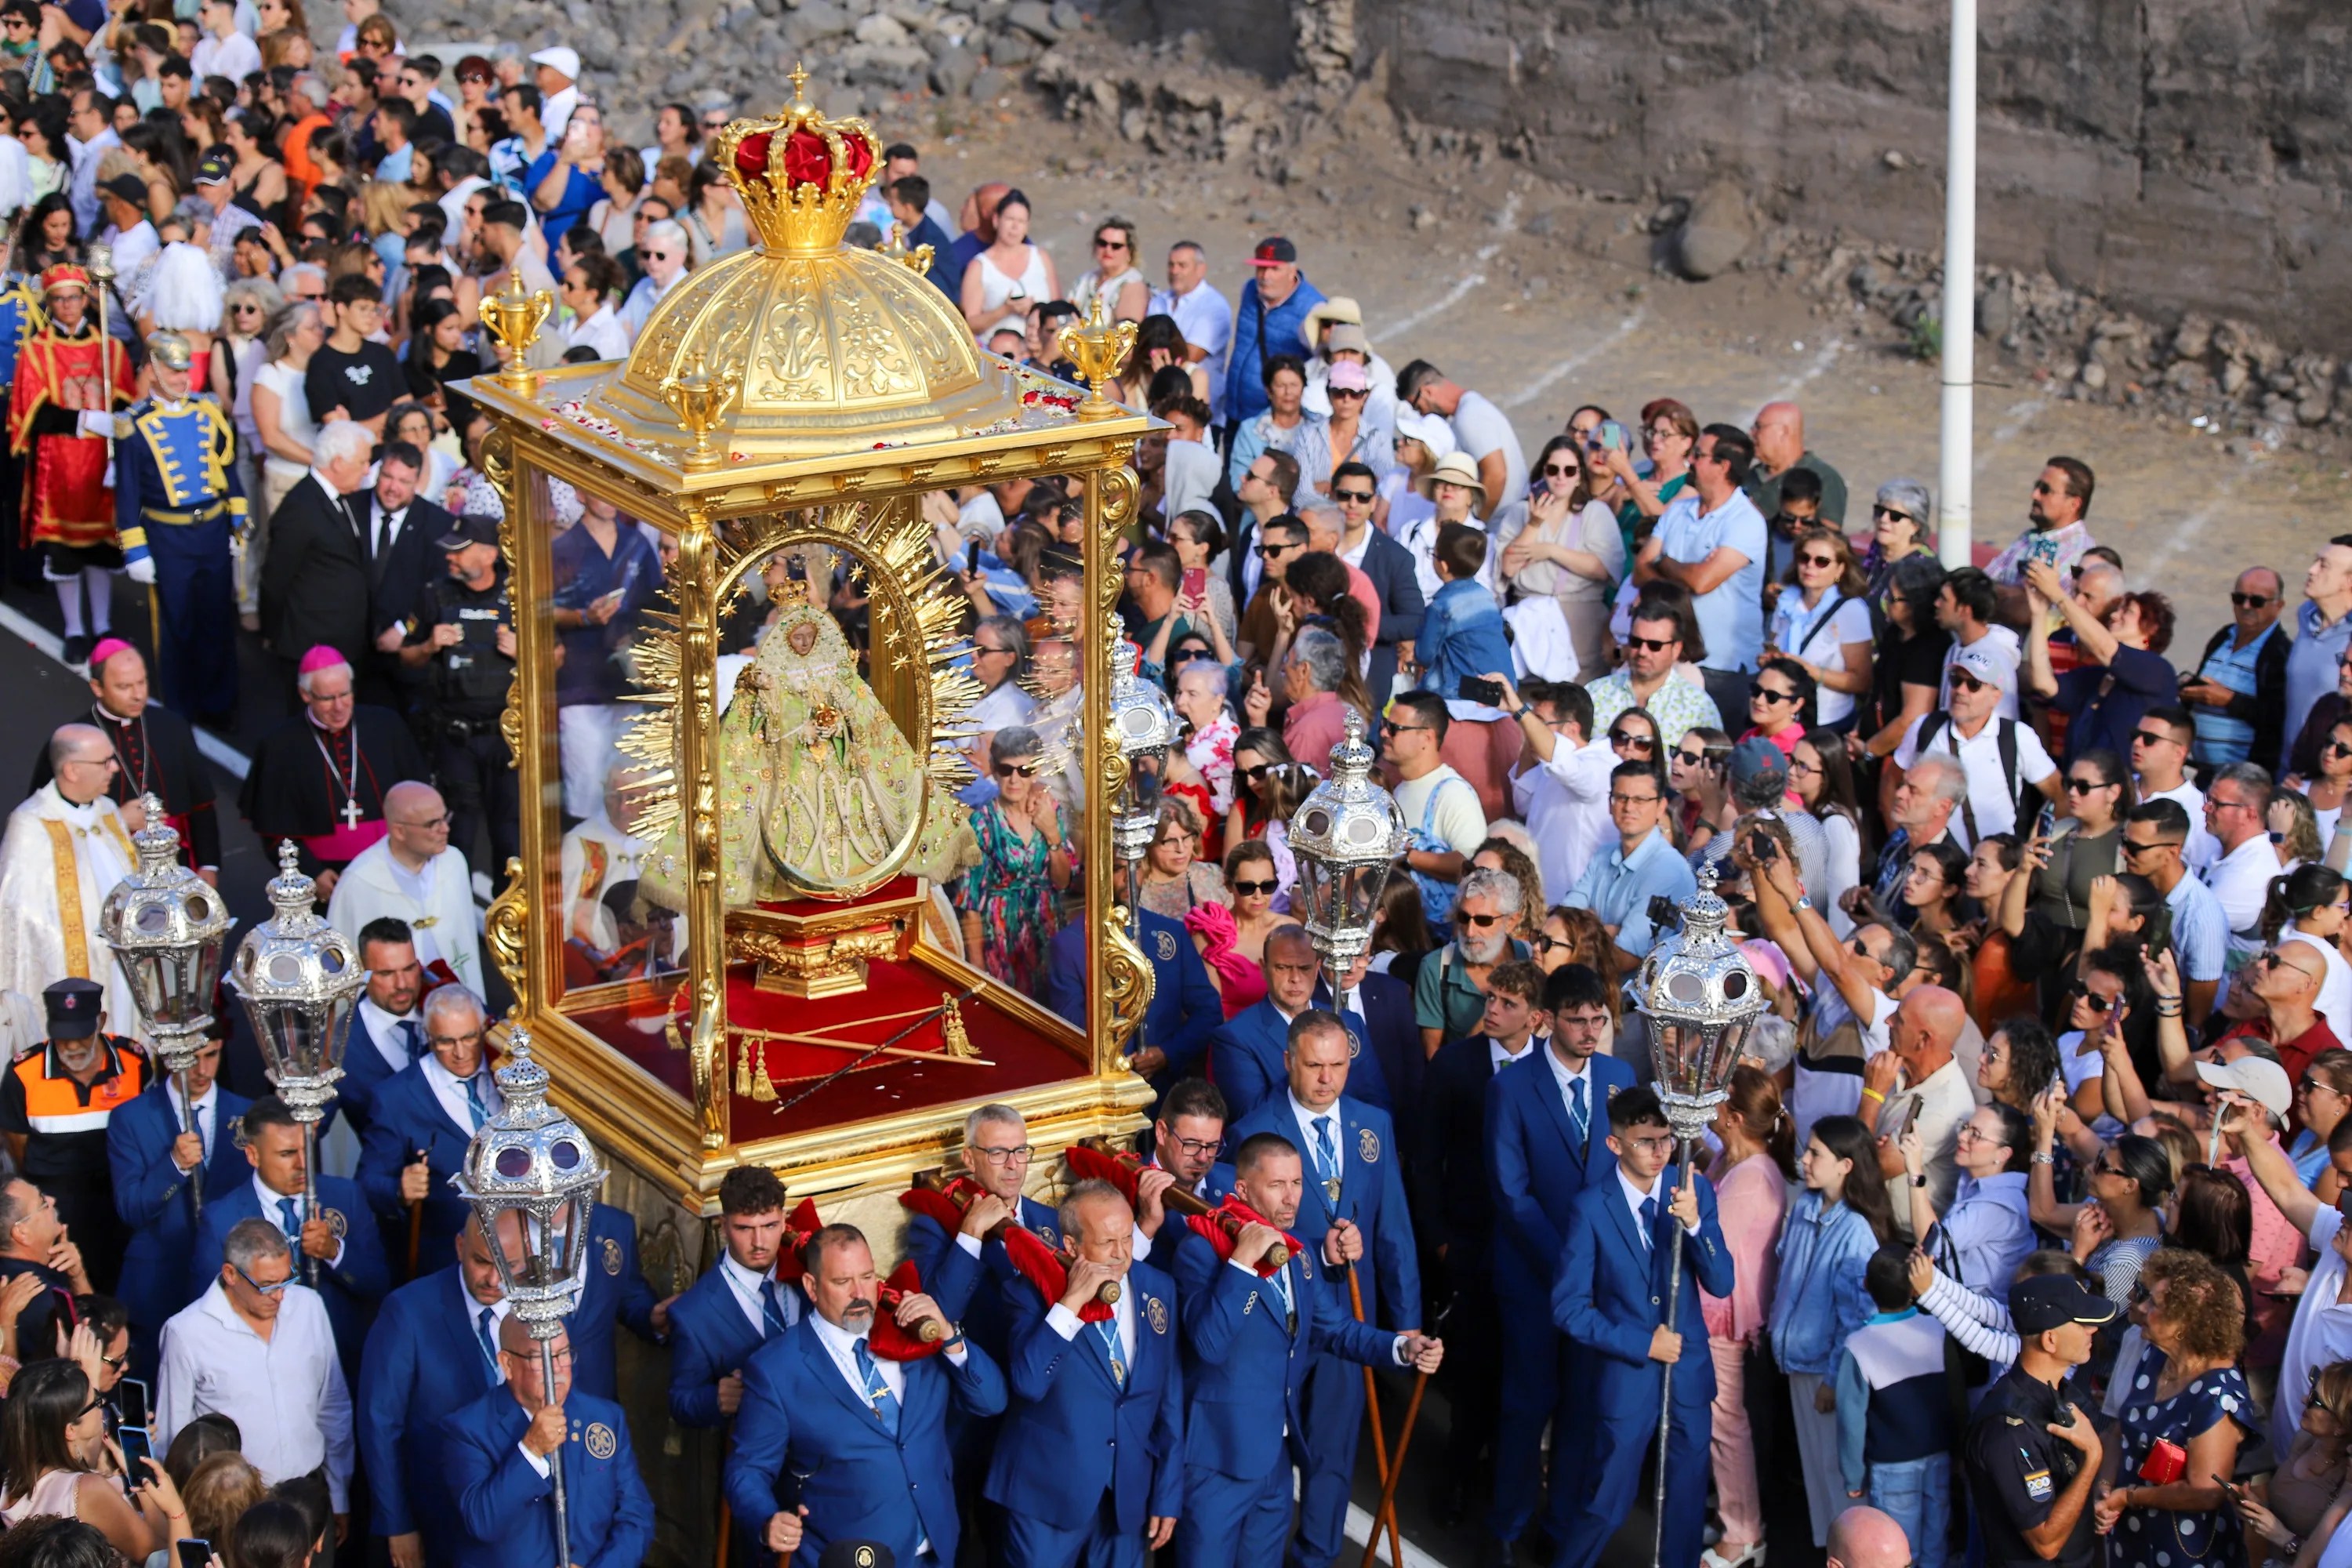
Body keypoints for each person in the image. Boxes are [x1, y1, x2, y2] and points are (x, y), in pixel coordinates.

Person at [1170, 1129, 1443, 1568]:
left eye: (1296, 1183)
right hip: (1215, 1465)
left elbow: (1336, 1330)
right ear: (1242, 1189)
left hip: (1276, 1464)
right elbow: (1208, 1343)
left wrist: (1402, 1348)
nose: (1291, 1197)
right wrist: (1242, 1266)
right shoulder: (1200, 1253)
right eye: (1277, 1185)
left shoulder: (1298, 1256)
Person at [1229, 1011, 1417, 1568]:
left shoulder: (1372, 1125)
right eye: (1313, 1065)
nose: (1326, 1078)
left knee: (1335, 1448)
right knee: (1267, 1447)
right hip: (1279, 1319)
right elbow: (1243, 1227)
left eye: (1338, 1065)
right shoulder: (1255, 1132)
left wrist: (1404, 1321)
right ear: (1289, 1061)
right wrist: (1315, 1244)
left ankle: (1316, 1556)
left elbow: (1395, 1231)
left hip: (1351, 1318)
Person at [724, 1222, 1005, 1566]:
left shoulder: (912, 1335)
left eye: (867, 1276)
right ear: (811, 1287)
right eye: (842, 1282)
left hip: (938, 1549)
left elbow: (991, 1402)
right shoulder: (775, 1370)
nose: (859, 1293)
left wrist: (949, 1334)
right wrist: (767, 1520)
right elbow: (747, 1470)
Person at [1479, 961, 1635, 1558]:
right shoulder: (1511, 1088)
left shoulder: (1620, 1078)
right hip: (1533, 1280)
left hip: (1599, 1288)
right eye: (1577, 1021)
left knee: (1583, 1410)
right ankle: (1505, 1528)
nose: (1590, 1031)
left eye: (1599, 1020)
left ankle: (1562, 1527)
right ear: (1547, 1020)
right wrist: (1570, 1268)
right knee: (1526, 1407)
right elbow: (1511, 1195)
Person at [1548, 1086, 1734, 1568]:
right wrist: (1641, 1343)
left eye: (1667, 1140)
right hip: (1629, 1378)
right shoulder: (1591, 1207)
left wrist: (1696, 1226)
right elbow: (1568, 1307)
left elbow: (1721, 1281)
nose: (1660, 1152)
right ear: (1616, 1145)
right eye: (1646, 1142)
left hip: (1688, 1378)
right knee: (1606, 1503)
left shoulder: (1694, 1189)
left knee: (1686, 1508)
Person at [983, 1181, 1183, 1568]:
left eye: (1126, 1238)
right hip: (1046, 1495)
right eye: (1107, 1242)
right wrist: (1070, 1303)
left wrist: (1168, 1493)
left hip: (1127, 1493)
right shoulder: (1028, 1293)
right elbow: (1029, 1382)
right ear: (1072, 1246)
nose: (1121, 1254)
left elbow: (1170, 1401)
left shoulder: (1158, 1288)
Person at [156, 1218, 354, 1532]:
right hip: (236, 1509)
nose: (279, 1296)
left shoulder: (310, 1308)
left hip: (308, 1496)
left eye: (286, 1281)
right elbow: (174, 1437)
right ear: (230, 1274)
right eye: (267, 1286)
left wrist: (339, 1494)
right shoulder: (186, 1332)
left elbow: (333, 1407)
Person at [187, 1094, 389, 1377]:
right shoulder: (221, 1219)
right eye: (286, 1154)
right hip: (262, 1370)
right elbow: (208, 1313)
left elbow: (379, 1283)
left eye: (306, 1148)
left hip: (341, 1365)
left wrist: (335, 1252)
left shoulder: (347, 1196)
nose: (302, 1164)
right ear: (253, 1155)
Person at [440, 1316, 655, 1568]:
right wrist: (530, 1451)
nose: (556, 1369)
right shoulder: (467, 1430)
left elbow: (636, 1517)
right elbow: (483, 1522)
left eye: (563, 1354)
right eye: (538, 1358)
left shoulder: (604, 1418)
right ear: (507, 1364)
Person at [111, 329, 245, 723]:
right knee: (177, 623)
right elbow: (129, 494)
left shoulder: (208, 411)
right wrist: (136, 550)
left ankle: (220, 702)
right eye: (172, 371)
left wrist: (238, 521)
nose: (182, 378)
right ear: (152, 370)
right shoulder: (132, 425)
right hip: (167, 536)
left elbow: (228, 472)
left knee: (217, 618)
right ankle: (181, 707)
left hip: (212, 531)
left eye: (185, 370)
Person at [2092, 1249, 2250, 1565]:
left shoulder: (2217, 1392)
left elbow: (2206, 1490)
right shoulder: (2154, 1357)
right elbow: (2119, 1431)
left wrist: (2130, 1496)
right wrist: (2106, 1489)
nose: (2141, 1307)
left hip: (2185, 1547)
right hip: (2131, 1534)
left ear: (2184, 1324)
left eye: (2154, 1304)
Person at [9, 264, 134, 665]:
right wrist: (83, 420)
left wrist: (115, 428)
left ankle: (102, 625)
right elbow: (34, 413)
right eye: (58, 299)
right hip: (60, 465)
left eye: (73, 298)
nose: (66, 306)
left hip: (101, 465)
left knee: (101, 548)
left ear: (86, 299)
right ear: (49, 303)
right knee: (64, 551)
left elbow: (125, 405)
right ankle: (74, 628)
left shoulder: (110, 349)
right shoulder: (36, 351)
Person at [107, 1033, 249, 1374]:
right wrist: (174, 1165)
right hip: (157, 1283)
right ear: (167, 1056)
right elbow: (130, 1207)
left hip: (231, 1282)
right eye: (191, 1058)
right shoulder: (131, 1117)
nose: (202, 1069)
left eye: (211, 1055)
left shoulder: (248, 1113)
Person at [0, 978, 151, 1290]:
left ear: (101, 1022)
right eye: (62, 1037)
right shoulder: (23, 1073)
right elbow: (18, 1148)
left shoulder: (133, 1061)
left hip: (120, 1202)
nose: (71, 1046)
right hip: (58, 1209)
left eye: (81, 1035)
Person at [27, 641, 220, 879]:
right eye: (124, 687)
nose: (138, 695)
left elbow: (202, 804)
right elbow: (47, 819)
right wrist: (116, 820)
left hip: (175, 867)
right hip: (104, 870)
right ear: (97, 688)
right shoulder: (75, 741)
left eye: (141, 682)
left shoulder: (172, 727)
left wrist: (209, 866)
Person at [1702, 1065, 1792, 1568]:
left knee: (1726, 1424)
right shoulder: (1732, 1158)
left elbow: (1711, 1247)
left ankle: (1743, 1533)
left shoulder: (1752, 1179)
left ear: (1733, 1117)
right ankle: (1733, 1516)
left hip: (1722, 1316)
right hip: (1717, 1313)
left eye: (1715, 1100)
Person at [1960, 1273, 2110, 1567]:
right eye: (2081, 1324)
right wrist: (2093, 1458)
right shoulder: (2006, 1429)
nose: (2092, 1330)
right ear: (2050, 1339)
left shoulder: (2061, 1393)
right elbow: (2046, 1542)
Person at [355, 984, 502, 1269]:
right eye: (446, 1042)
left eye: (470, 1037)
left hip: (522, 1243)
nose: (460, 1053)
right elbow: (366, 1183)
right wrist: (398, 1189)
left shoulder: (506, 1069)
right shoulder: (395, 1098)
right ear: (428, 1037)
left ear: (484, 1028)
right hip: (450, 1260)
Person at [402, 514, 517, 876]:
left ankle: (511, 917)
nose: (449, 558)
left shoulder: (517, 596)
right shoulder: (435, 594)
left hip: (505, 737)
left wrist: (526, 651)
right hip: (455, 736)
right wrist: (428, 646)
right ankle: (456, 916)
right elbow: (406, 656)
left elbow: (556, 656)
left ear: (487, 555)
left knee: (510, 835)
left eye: (459, 552)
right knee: (456, 835)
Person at [1635, 424, 1769, 726]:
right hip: (1671, 660)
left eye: (1698, 455)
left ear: (1722, 466)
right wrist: (1683, 570)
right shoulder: (1678, 510)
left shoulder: (1746, 521)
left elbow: (1702, 581)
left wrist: (1665, 562)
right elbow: (1640, 572)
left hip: (1723, 666)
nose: (1691, 461)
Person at [0, 726, 137, 1022]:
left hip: (125, 965)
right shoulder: (31, 823)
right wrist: (90, 941)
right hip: (74, 975)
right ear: (72, 770)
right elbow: (16, 915)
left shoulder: (108, 810)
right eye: (104, 762)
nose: (114, 768)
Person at [1830, 1244, 1954, 1568]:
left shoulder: (1858, 1345)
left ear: (1867, 1286)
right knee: (1936, 1543)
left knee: (1899, 1551)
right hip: (1940, 1455)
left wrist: (1853, 1476)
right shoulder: (1938, 1329)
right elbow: (1956, 1397)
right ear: (1915, 1287)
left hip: (1891, 1466)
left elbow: (1851, 1420)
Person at [0, 1357, 191, 1555]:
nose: (103, 1409)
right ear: (71, 1430)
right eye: (97, 1402)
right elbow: (158, 1557)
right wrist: (142, 1480)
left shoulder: (13, 1482)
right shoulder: (86, 1490)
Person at [550, 491, 661, 822]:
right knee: (585, 791)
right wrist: (583, 617)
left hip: (630, 683)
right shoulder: (562, 549)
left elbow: (655, 603)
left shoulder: (637, 543)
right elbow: (540, 609)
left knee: (635, 790)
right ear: (580, 494)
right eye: (599, 490)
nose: (611, 498)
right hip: (581, 685)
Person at [666, 1164, 801, 1432]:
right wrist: (717, 1398)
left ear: (785, 1220)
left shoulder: (810, 1268)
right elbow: (681, 1401)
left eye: (770, 1225)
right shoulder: (693, 1313)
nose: (760, 1242)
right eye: (745, 1228)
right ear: (723, 1226)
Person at [1890, 642, 2062, 851]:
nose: (1961, 691)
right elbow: (1892, 781)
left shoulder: (2016, 737)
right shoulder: (1926, 727)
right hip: (1931, 867)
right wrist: (1898, 839)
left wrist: (2039, 844)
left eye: (1974, 685)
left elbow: (2058, 793)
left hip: (1991, 871)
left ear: (1995, 696)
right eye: (1956, 681)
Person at [1210, 925, 1389, 1117]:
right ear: (1264, 969)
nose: (1295, 978)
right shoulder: (1236, 1036)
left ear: (1317, 969)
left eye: (1305, 968)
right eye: (1283, 968)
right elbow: (1252, 1116)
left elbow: (1377, 1106)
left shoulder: (1349, 1023)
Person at [326, 781, 483, 993]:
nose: (445, 829)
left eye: (445, 818)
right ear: (399, 831)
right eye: (433, 824)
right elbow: (342, 969)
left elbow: (465, 940)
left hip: (456, 1005)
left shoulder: (454, 862)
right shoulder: (358, 882)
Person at [956, 724, 1069, 995]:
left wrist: (1052, 834)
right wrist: (979, 977)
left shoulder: (1048, 810)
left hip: (1049, 937)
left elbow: (1063, 882)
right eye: (1007, 770)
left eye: (1025, 770)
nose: (1015, 779)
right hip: (1001, 943)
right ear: (994, 770)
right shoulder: (982, 823)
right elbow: (971, 905)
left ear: (1037, 772)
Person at [258, 419, 377, 671]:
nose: (367, 470)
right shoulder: (299, 510)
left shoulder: (341, 496)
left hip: (342, 640)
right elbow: (275, 580)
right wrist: (274, 635)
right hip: (313, 647)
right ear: (338, 463)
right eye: (362, 462)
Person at [1566, 759, 1698, 976]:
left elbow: (1625, 957)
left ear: (1661, 807)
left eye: (1640, 800)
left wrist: (1586, 927)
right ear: (1610, 804)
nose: (1628, 807)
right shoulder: (1602, 855)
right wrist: (1607, 931)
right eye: (1621, 798)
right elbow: (1564, 920)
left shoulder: (1668, 870)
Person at [1494, 672, 1612, 902]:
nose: (1530, 727)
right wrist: (1532, 734)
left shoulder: (1601, 765)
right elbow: (1522, 802)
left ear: (1572, 729)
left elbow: (1565, 766)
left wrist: (1519, 710)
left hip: (1576, 903)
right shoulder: (1548, 763)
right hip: (1538, 896)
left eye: (1539, 721)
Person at [1396, 358, 1528, 536]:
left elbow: (1496, 475)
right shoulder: (1473, 406)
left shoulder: (1469, 417)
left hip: (1505, 523)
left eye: (1418, 407)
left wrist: (1473, 524)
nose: (1422, 414)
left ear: (1427, 391)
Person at [2181, 567, 2290, 772]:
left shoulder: (2279, 653)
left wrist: (2229, 700)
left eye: (2257, 601)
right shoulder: (2224, 636)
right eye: (2239, 598)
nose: (2246, 606)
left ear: (2279, 606)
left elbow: (2277, 718)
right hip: (2204, 771)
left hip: (2242, 778)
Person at [1411, 865, 1526, 1055]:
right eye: (1464, 918)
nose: (1470, 932)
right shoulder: (1436, 967)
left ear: (1511, 921)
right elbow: (1434, 1058)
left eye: (1483, 920)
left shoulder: (1533, 959)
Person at [1771, 525, 1875, 733]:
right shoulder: (1787, 602)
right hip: (1783, 720)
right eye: (1804, 558)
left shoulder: (1851, 610)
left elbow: (1861, 681)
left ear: (1840, 569)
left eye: (1822, 562)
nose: (1810, 566)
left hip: (1825, 722)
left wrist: (1807, 670)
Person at [1588, 595, 1724, 750]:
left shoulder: (1698, 708)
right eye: (1636, 642)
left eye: (1654, 645)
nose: (1643, 652)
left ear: (1676, 649)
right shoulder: (1596, 694)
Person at [1222, 236, 1323, 440]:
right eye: (1260, 268)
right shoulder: (1249, 290)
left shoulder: (1314, 309)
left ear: (1291, 272)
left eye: (1274, 269)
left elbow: (1321, 367)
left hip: (1273, 421)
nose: (1264, 276)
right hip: (1235, 410)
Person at [1984, 457, 2099, 599]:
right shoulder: (2029, 537)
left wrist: (1990, 593)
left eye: (2045, 490)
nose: (2035, 495)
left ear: (2074, 504)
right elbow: (1986, 580)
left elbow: (2031, 606)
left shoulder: (2078, 553)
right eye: (2036, 486)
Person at [2285, 538, 2352, 777]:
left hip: (2332, 780)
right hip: (2291, 773)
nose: (2311, 570)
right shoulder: (2306, 615)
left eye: (2323, 565)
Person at [2203, 761, 2279, 959]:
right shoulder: (2220, 847)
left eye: (2217, 803)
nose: (2206, 807)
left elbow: (2185, 929)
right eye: (2208, 798)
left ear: (2249, 813)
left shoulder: (2250, 874)